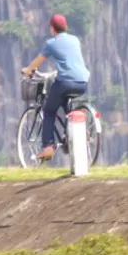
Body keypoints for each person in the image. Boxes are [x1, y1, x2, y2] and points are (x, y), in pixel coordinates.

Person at [21, 13, 90, 162]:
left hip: (65, 82)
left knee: (49, 110)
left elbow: (38, 61)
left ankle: (48, 147)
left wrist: (28, 70)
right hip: (83, 82)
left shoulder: (51, 43)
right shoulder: (74, 40)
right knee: (65, 103)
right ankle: (75, 132)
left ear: (52, 28)